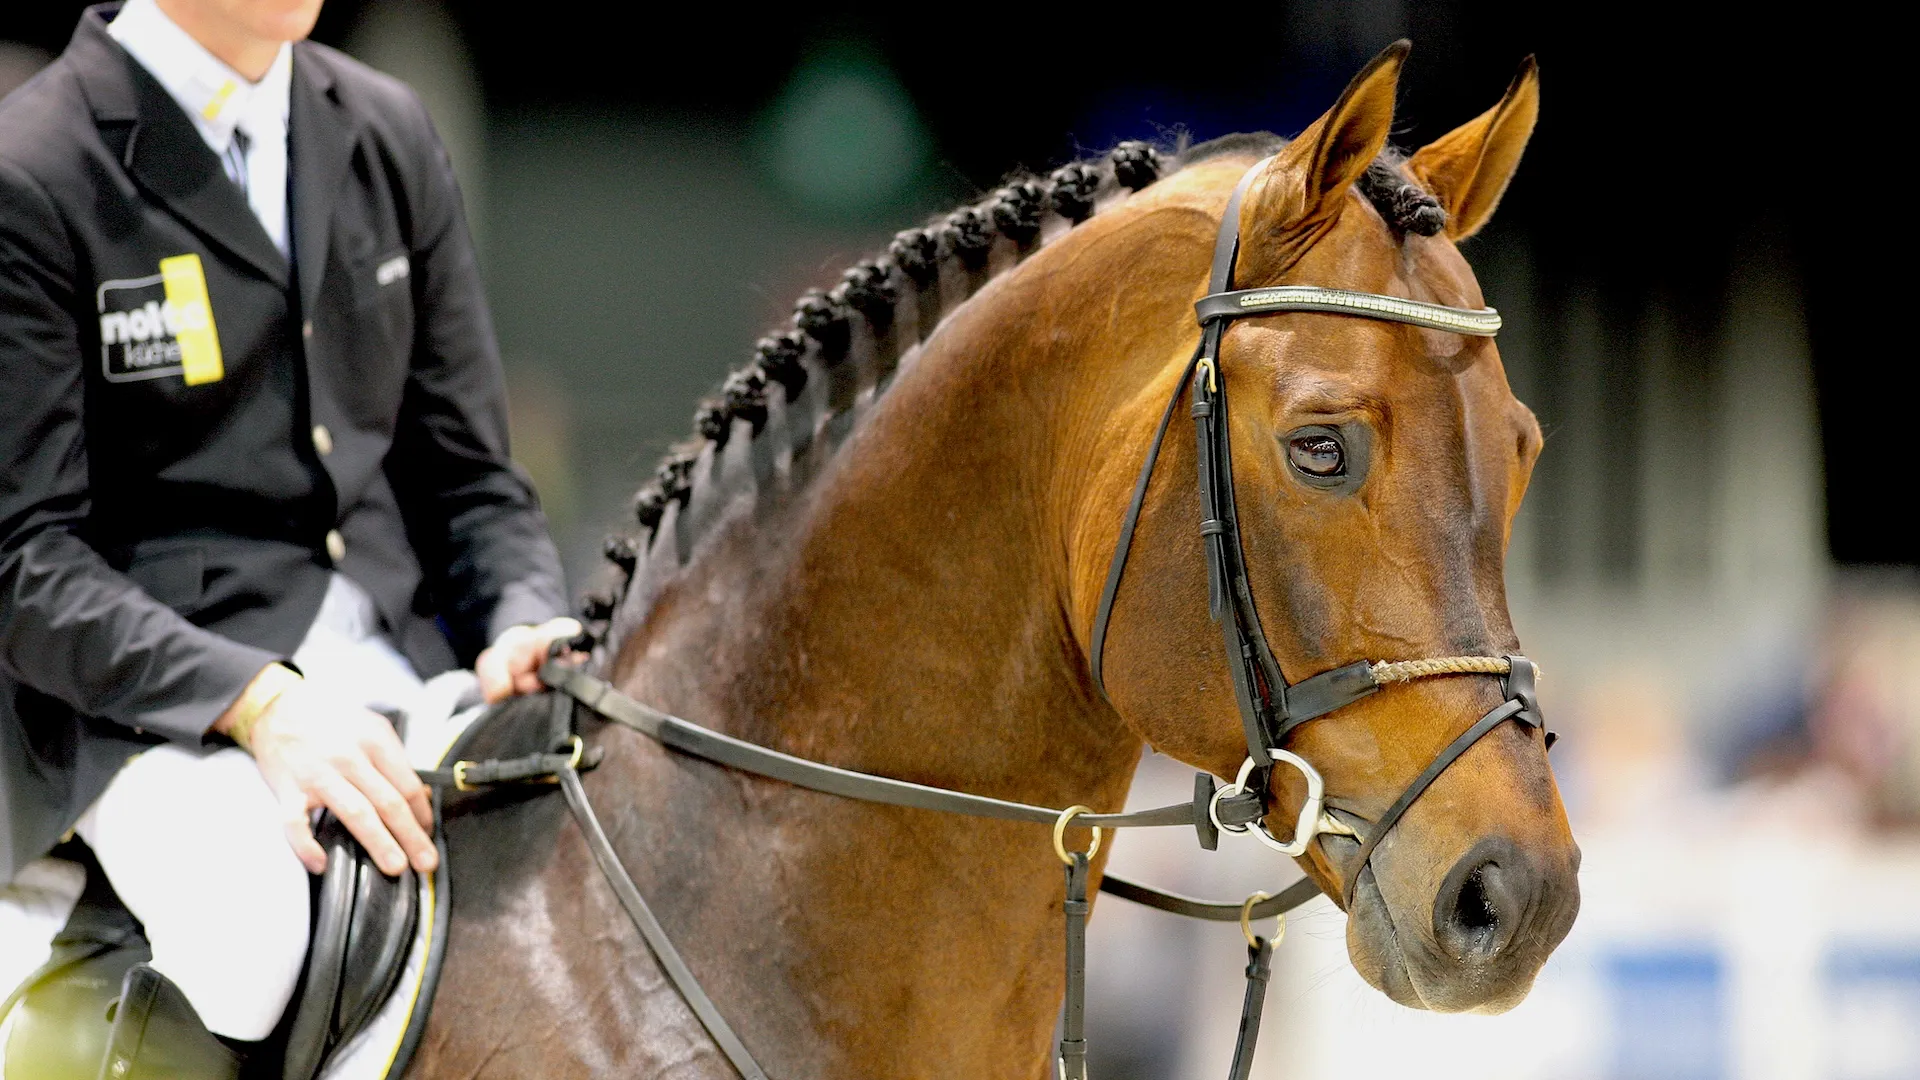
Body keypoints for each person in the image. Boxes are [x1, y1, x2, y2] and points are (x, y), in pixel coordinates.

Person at [0, 0, 577, 1071]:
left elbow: (474, 481)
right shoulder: (33, 169)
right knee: (253, 923)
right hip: (150, 711)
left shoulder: (386, 130)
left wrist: (523, 616)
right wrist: (263, 705)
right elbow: (23, 562)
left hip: (396, 664)